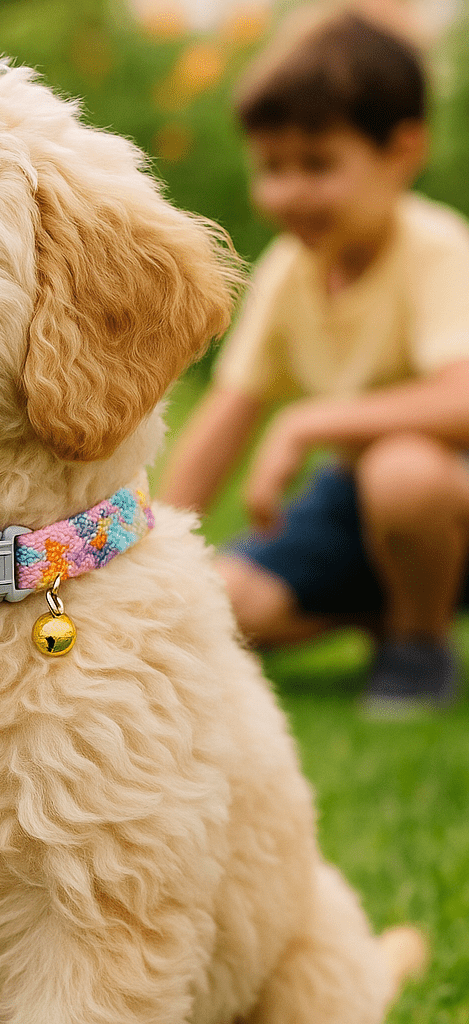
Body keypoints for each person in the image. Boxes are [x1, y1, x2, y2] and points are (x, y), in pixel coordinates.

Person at [160, 4, 469, 713]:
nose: (290, 191)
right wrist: (155, 551)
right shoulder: (290, 270)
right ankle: (389, 609)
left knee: (404, 470)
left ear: (402, 151)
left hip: (443, 492)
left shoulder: (434, 246)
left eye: (318, 164)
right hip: (355, 502)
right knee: (228, 605)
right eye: (273, 167)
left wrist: (311, 422)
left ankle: (420, 646)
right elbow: (227, 415)